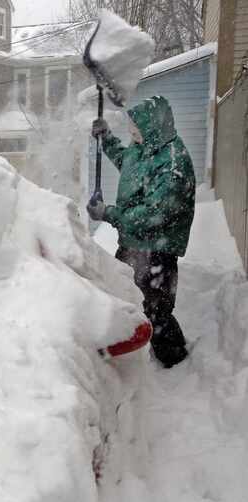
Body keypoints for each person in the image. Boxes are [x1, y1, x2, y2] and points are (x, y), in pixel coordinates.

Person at [87, 95, 195, 368]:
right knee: (124, 293)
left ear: (151, 127)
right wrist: (107, 139)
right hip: (134, 242)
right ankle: (126, 353)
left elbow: (152, 215)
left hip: (157, 248)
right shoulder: (145, 145)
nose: (130, 130)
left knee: (155, 310)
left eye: (134, 126)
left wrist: (108, 214)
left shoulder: (173, 164)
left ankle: (175, 362)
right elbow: (130, 165)